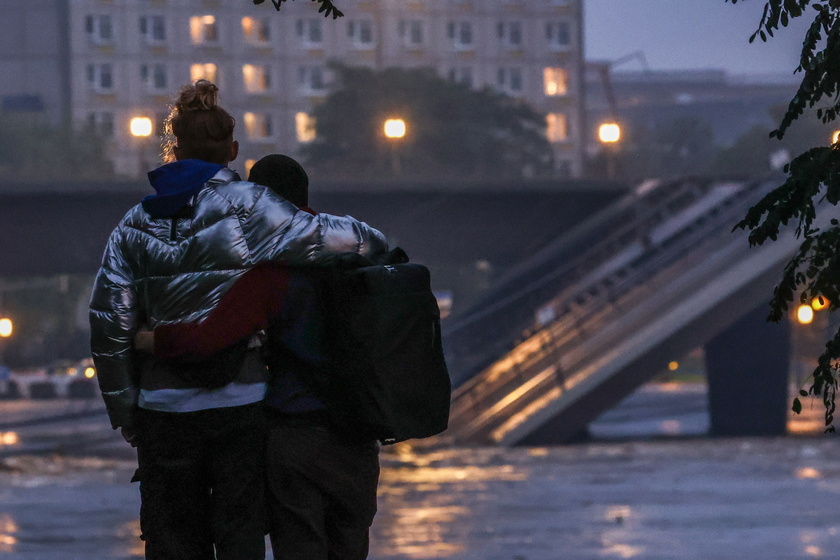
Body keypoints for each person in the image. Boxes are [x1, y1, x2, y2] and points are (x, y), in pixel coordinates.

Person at [89, 82, 387, 560]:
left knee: (171, 541)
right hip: (241, 406)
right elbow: (358, 241)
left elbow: (108, 326)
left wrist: (126, 410)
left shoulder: (132, 225)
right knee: (240, 535)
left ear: (173, 150)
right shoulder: (253, 208)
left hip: (162, 410)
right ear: (232, 150)